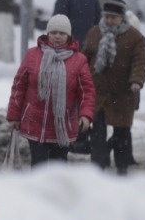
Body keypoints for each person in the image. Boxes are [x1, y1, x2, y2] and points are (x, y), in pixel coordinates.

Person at [6, 14, 96, 167]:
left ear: (68, 35)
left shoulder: (79, 60)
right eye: (54, 33)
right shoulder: (32, 55)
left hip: (63, 126)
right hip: (35, 123)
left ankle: (56, 191)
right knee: (38, 167)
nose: (58, 37)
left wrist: (86, 115)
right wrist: (14, 116)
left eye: (62, 33)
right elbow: (18, 87)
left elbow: (87, 91)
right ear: (48, 34)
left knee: (58, 169)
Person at [81, 0, 145, 175]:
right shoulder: (94, 33)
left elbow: (140, 62)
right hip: (98, 92)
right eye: (107, 17)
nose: (110, 21)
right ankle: (97, 168)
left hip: (123, 94)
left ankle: (122, 168)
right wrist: (81, 78)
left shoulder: (134, 37)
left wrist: (136, 80)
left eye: (114, 17)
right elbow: (85, 58)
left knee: (121, 133)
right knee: (97, 133)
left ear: (122, 17)